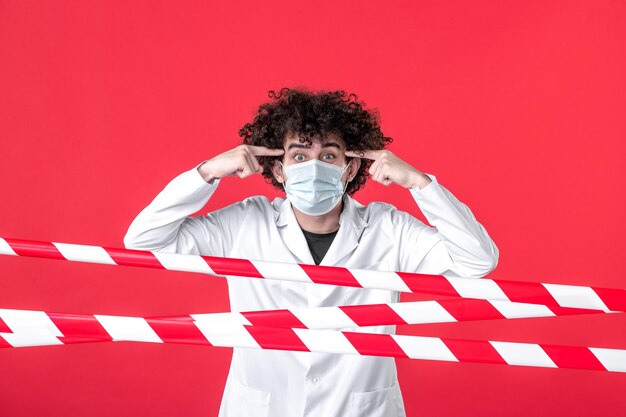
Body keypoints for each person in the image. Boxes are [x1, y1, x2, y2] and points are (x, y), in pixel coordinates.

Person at [123, 87, 499, 417]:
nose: (315, 167)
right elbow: (143, 242)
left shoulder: (388, 228)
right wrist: (207, 171)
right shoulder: (245, 223)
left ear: (351, 168)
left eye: (330, 156)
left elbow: (476, 261)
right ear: (279, 169)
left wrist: (420, 184)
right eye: (300, 156)